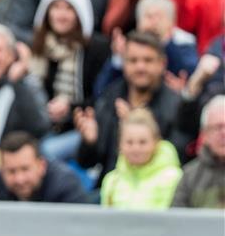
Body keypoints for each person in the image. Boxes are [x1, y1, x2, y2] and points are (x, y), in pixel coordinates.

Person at [74, 31, 188, 183]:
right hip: (112, 188)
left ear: (162, 64)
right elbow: (87, 163)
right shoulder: (111, 96)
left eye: (148, 60)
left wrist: (137, 126)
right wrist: (90, 142)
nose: (140, 67)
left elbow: (178, 159)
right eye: (133, 60)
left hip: (157, 192)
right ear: (123, 63)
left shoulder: (177, 105)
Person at [30, 0, 110, 161]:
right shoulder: (39, 48)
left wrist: (70, 107)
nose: (61, 15)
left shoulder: (96, 48)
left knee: (44, 152)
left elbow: (103, 96)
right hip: (45, 125)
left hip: (82, 127)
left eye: (69, 8)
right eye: (56, 7)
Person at [100, 108, 183, 209]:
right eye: (129, 142)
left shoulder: (175, 178)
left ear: (156, 142)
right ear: (120, 145)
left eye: (142, 142)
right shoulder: (111, 181)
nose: (136, 148)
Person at [0, 131, 89, 203]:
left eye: (25, 169)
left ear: (42, 165)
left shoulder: (65, 186)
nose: (19, 179)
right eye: (11, 171)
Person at [172, 94, 225, 208]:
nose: (223, 133)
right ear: (204, 134)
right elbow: (175, 220)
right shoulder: (190, 175)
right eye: (217, 127)